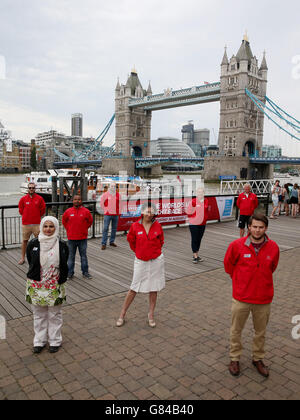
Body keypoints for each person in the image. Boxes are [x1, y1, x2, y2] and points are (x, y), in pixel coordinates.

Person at [224, 213, 280, 378]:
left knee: (260, 332)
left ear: (266, 228)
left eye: (261, 227)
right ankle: (234, 358)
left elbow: (272, 266)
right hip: (241, 297)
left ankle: (258, 358)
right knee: (236, 330)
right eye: (254, 226)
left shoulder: (274, 247)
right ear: (249, 227)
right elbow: (229, 266)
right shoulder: (236, 245)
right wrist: (241, 281)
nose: (257, 230)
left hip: (263, 298)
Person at [116, 203, 165, 328]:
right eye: (147, 212)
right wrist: (139, 251)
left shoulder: (158, 225)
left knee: (153, 288)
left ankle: (151, 314)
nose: (150, 214)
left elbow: (161, 241)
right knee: (134, 288)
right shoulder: (135, 226)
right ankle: (122, 314)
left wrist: (153, 252)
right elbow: (131, 241)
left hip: (156, 261)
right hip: (141, 261)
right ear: (142, 213)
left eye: (152, 212)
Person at [26, 216, 69, 354]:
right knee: (39, 314)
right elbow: (30, 259)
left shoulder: (62, 245)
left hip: (55, 284)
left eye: (51, 226)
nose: (48, 229)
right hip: (37, 283)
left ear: (56, 227)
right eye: (45, 226)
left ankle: (55, 341)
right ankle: (39, 341)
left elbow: (64, 260)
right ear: (41, 227)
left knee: (54, 314)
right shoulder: (33, 243)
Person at [62, 195, 93, 279]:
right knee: (71, 257)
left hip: (82, 238)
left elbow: (90, 221)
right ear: (73, 201)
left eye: (79, 199)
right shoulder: (68, 211)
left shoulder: (86, 211)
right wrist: (69, 229)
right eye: (75, 199)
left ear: (81, 201)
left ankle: (85, 272)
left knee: (83, 256)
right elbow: (64, 221)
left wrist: (84, 228)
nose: (77, 201)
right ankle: (70, 273)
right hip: (71, 239)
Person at [18, 182, 46, 265]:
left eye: (33, 188)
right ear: (28, 189)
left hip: (37, 224)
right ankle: (23, 258)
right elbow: (21, 210)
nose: (31, 189)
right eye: (30, 188)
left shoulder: (40, 198)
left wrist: (36, 216)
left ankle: (41, 257)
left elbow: (42, 210)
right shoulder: (23, 199)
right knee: (24, 241)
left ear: (35, 189)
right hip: (26, 224)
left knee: (39, 241)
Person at [186, 187, 208, 263]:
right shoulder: (193, 201)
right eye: (198, 192)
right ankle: (195, 256)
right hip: (194, 224)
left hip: (203, 224)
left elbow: (207, 211)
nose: (200, 194)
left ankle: (196, 254)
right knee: (194, 239)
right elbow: (188, 212)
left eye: (201, 192)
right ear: (196, 193)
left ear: (203, 193)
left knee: (199, 239)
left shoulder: (206, 201)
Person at [100, 183, 121, 250]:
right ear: (109, 187)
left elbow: (120, 204)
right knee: (105, 228)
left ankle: (111, 241)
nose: (113, 187)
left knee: (114, 229)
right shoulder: (105, 194)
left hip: (116, 214)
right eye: (112, 186)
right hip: (107, 214)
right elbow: (101, 203)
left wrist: (119, 211)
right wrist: (105, 210)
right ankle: (103, 243)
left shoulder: (118, 195)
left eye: (114, 186)